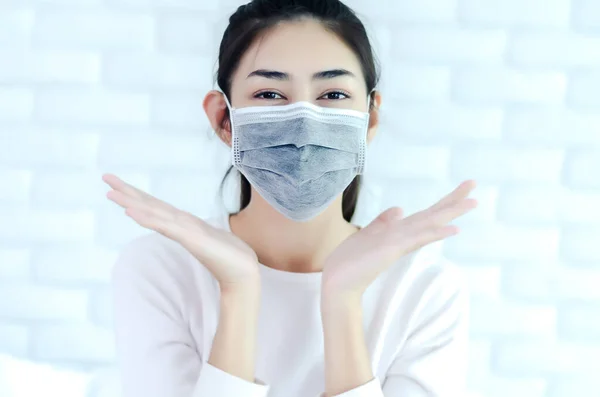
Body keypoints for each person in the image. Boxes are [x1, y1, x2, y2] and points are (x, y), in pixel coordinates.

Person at [103, 0, 478, 396]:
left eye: (333, 94)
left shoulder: (424, 289)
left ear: (369, 117)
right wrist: (238, 291)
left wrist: (343, 300)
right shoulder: (161, 270)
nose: (303, 122)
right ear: (223, 119)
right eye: (269, 94)